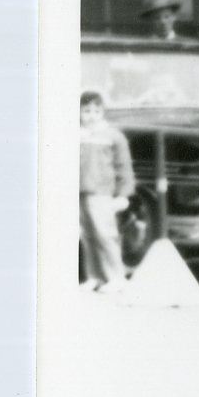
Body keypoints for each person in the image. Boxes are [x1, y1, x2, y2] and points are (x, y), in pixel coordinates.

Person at [77, 91, 133, 290]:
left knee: (105, 234)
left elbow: (123, 166)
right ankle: (95, 276)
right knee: (86, 235)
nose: (91, 115)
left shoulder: (113, 136)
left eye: (96, 111)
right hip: (79, 192)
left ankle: (117, 277)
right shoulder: (75, 134)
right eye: (86, 111)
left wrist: (124, 193)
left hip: (101, 192)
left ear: (103, 112)